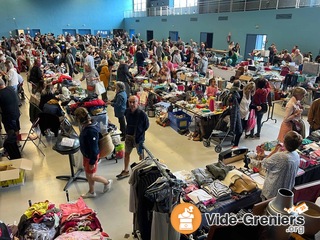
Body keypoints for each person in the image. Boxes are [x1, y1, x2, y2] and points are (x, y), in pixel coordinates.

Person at [74, 107, 112, 198]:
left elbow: (94, 149)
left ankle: (107, 182)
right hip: (87, 155)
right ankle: (91, 192)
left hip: (91, 157)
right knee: (88, 175)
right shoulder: (89, 124)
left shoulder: (90, 131)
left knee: (91, 176)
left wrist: (92, 162)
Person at [261, 131, 302, 199]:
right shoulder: (296, 155)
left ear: (284, 142)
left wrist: (275, 151)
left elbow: (264, 163)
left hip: (273, 191)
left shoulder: (280, 156)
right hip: (286, 190)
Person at [116, 95, 149, 179]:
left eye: (134, 102)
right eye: (130, 102)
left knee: (141, 155)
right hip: (129, 136)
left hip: (139, 138)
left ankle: (142, 171)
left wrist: (139, 132)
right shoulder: (127, 112)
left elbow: (146, 126)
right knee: (126, 154)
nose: (131, 104)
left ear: (137, 103)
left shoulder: (142, 114)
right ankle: (126, 171)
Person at [233, 82, 256, 148]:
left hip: (245, 115)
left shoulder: (251, 96)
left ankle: (235, 142)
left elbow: (250, 105)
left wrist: (256, 107)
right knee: (239, 131)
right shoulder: (240, 93)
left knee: (241, 130)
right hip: (238, 114)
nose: (249, 91)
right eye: (249, 89)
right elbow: (235, 103)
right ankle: (235, 145)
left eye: (251, 90)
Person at [0, 79, 20, 143]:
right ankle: (17, 141)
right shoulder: (10, 88)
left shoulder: (1, 94)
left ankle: (13, 144)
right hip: (16, 112)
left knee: (10, 131)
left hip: (8, 116)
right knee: (16, 128)